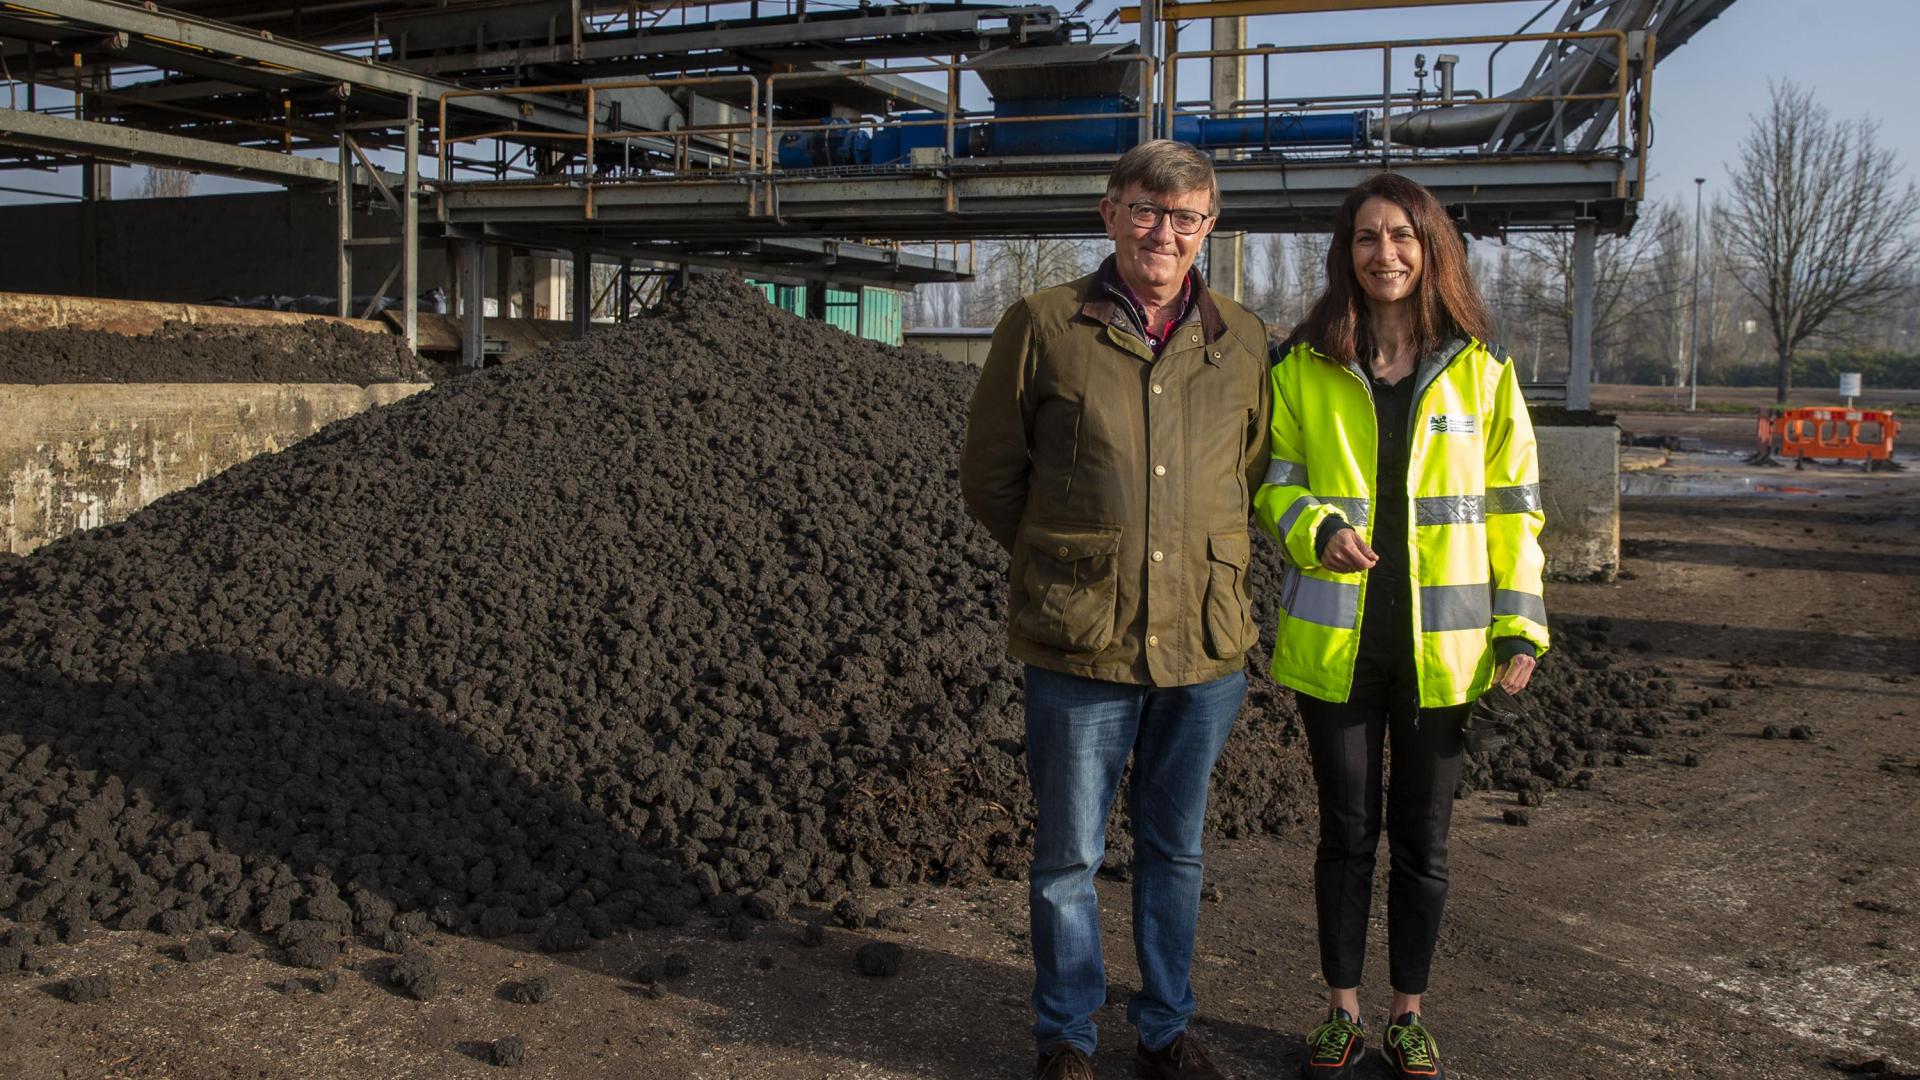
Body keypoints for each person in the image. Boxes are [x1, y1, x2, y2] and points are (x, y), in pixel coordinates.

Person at [960, 139, 1271, 1080]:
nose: (1163, 233)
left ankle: (1166, 1030)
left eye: (1185, 218)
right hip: (1080, 643)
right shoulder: (1046, 324)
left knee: (1175, 854)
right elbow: (990, 475)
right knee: (1068, 858)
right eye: (1146, 210)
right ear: (1109, 213)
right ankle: (1066, 1037)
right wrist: (1070, 556)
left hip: (1203, 649)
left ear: (1208, 229)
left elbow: (1247, 473)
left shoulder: (1242, 337)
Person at [1254, 172, 1549, 1080]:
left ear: (1432, 251)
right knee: (1346, 835)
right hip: (1337, 647)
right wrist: (1317, 530)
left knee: (1423, 842)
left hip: (1445, 655)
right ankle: (1341, 1011)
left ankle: (1408, 1014)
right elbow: (1275, 482)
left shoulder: (1482, 370)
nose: (1386, 254)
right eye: (1367, 239)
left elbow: (1516, 509)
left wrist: (1520, 626)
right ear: (1347, 255)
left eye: (1403, 237)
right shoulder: (1302, 368)